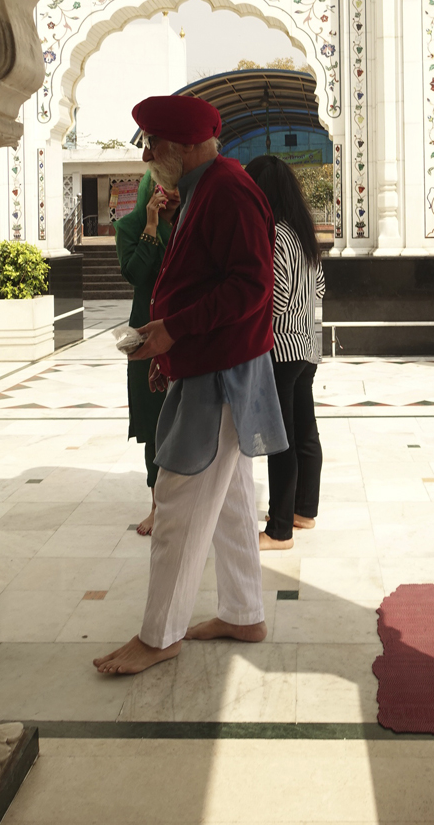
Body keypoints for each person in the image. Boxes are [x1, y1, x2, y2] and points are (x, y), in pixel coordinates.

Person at [95, 95, 288, 676]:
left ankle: (160, 636)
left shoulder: (226, 189)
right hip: (208, 364)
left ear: (181, 146)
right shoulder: (205, 187)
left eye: (153, 144)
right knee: (229, 503)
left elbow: (250, 287)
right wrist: (169, 346)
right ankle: (243, 611)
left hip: (220, 375)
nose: (149, 155)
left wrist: (175, 330)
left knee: (177, 502)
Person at [244, 155, 326, 551]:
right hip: (308, 346)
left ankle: (279, 530)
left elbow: (272, 299)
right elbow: (321, 290)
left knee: (282, 440)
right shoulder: (303, 234)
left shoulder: (277, 235)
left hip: (281, 350)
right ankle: (303, 510)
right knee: (304, 432)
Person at [114, 171, 179, 535]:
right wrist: (152, 226)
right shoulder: (129, 227)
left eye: (173, 186)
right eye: (160, 187)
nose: (168, 193)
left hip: (182, 328)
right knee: (153, 421)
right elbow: (136, 275)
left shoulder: (190, 221)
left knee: (188, 415)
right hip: (143, 330)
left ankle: (187, 500)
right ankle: (157, 505)